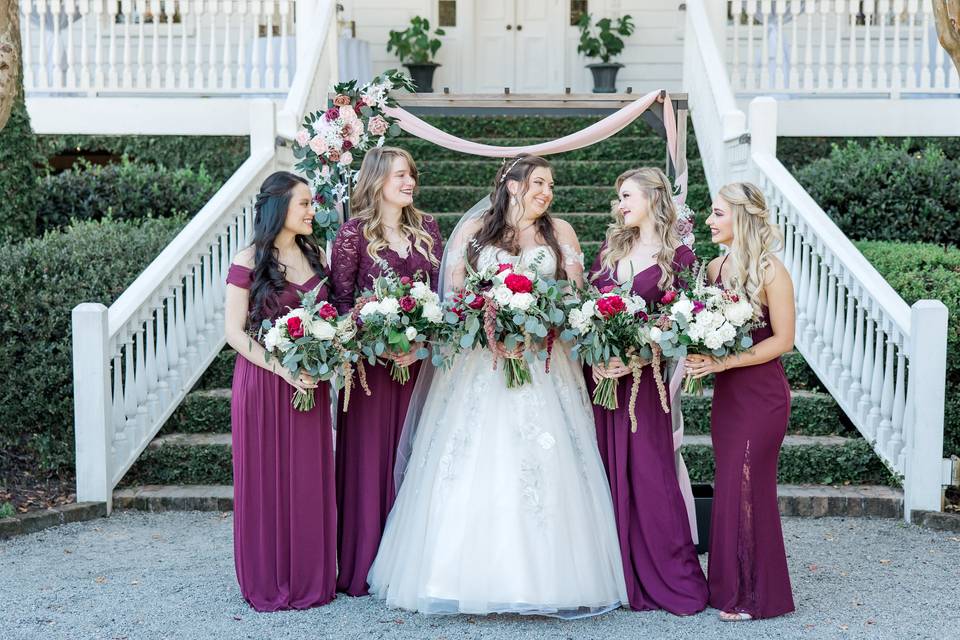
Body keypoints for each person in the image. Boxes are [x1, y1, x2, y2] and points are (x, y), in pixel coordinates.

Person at [366, 154, 627, 617]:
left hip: (544, 362)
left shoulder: (560, 232)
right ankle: (454, 575)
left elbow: (576, 298)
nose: (547, 192)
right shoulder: (474, 232)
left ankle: (546, 581)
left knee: (544, 459)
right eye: (539, 183)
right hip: (480, 364)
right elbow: (456, 301)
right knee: (472, 456)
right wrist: (490, 327)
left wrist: (538, 324)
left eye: (551, 185)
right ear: (512, 185)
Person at [587, 167, 708, 615]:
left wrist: (640, 355)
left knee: (650, 475)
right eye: (619, 198)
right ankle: (614, 573)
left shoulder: (679, 257)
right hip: (603, 379)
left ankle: (665, 573)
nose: (620, 205)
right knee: (605, 471)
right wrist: (597, 355)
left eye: (627, 196)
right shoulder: (611, 248)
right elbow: (590, 307)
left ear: (653, 198)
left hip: (646, 384)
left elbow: (683, 322)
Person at [330, 146, 443, 596]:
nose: (409, 182)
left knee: (417, 454)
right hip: (369, 373)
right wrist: (370, 336)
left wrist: (419, 343)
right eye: (399, 174)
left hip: (416, 367)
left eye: (411, 174)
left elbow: (438, 297)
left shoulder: (429, 229)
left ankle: (410, 567)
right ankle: (363, 563)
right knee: (370, 460)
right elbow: (341, 304)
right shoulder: (352, 235)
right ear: (376, 179)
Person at [223, 171, 336, 611]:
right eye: (304, 203)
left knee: (309, 477)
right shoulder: (248, 259)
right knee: (266, 478)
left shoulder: (317, 253)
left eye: (312, 203)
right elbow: (234, 333)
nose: (312, 211)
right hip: (265, 383)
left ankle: (311, 576)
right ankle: (268, 579)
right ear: (279, 208)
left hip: (311, 380)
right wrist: (283, 370)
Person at [685, 181, 796, 621]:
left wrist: (724, 362)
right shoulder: (713, 269)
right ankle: (727, 586)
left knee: (750, 483)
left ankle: (755, 596)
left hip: (762, 395)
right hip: (728, 397)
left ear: (742, 216)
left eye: (716, 213)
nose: (709, 221)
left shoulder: (772, 271)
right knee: (731, 482)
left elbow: (784, 341)